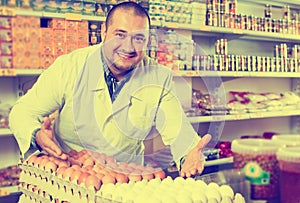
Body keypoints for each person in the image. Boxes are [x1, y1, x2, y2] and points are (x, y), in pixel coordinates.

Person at [9, 1, 211, 178]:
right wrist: (36, 135)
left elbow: (177, 129)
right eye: (120, 35)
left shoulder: (158, 76)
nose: (129, 47)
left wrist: (188, 154)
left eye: (139, 38)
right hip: (70, 178)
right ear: (103, 31)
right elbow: (22, 112)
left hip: (123, 183)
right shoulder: (70, 65)